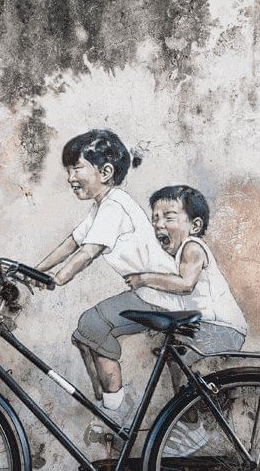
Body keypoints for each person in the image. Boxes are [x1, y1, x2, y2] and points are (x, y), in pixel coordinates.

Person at [34, 130, 182, 419]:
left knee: (92, 324)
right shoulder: (102, 205)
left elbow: (89, 252)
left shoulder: (115, 205)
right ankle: (105, 402)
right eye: (68, 170)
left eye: (76, 168)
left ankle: (115, 410)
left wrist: (57, 279)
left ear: (105, 172)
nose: (69, 177)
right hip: (148, 293)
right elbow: (71, 243)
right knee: (84, 334)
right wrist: (34, 271)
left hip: (159, 294)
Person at [125, 185, 248, 390]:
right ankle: (188, 415)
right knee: (176, 360)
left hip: (224, 328)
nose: (158, 225)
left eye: (169, 217)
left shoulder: (192, 247)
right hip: (209, 325)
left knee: (181, 362)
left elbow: (185, 284)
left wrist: (144, 279)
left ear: (195, 226)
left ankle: (190, 419)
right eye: (155, 218)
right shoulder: (177, 253)